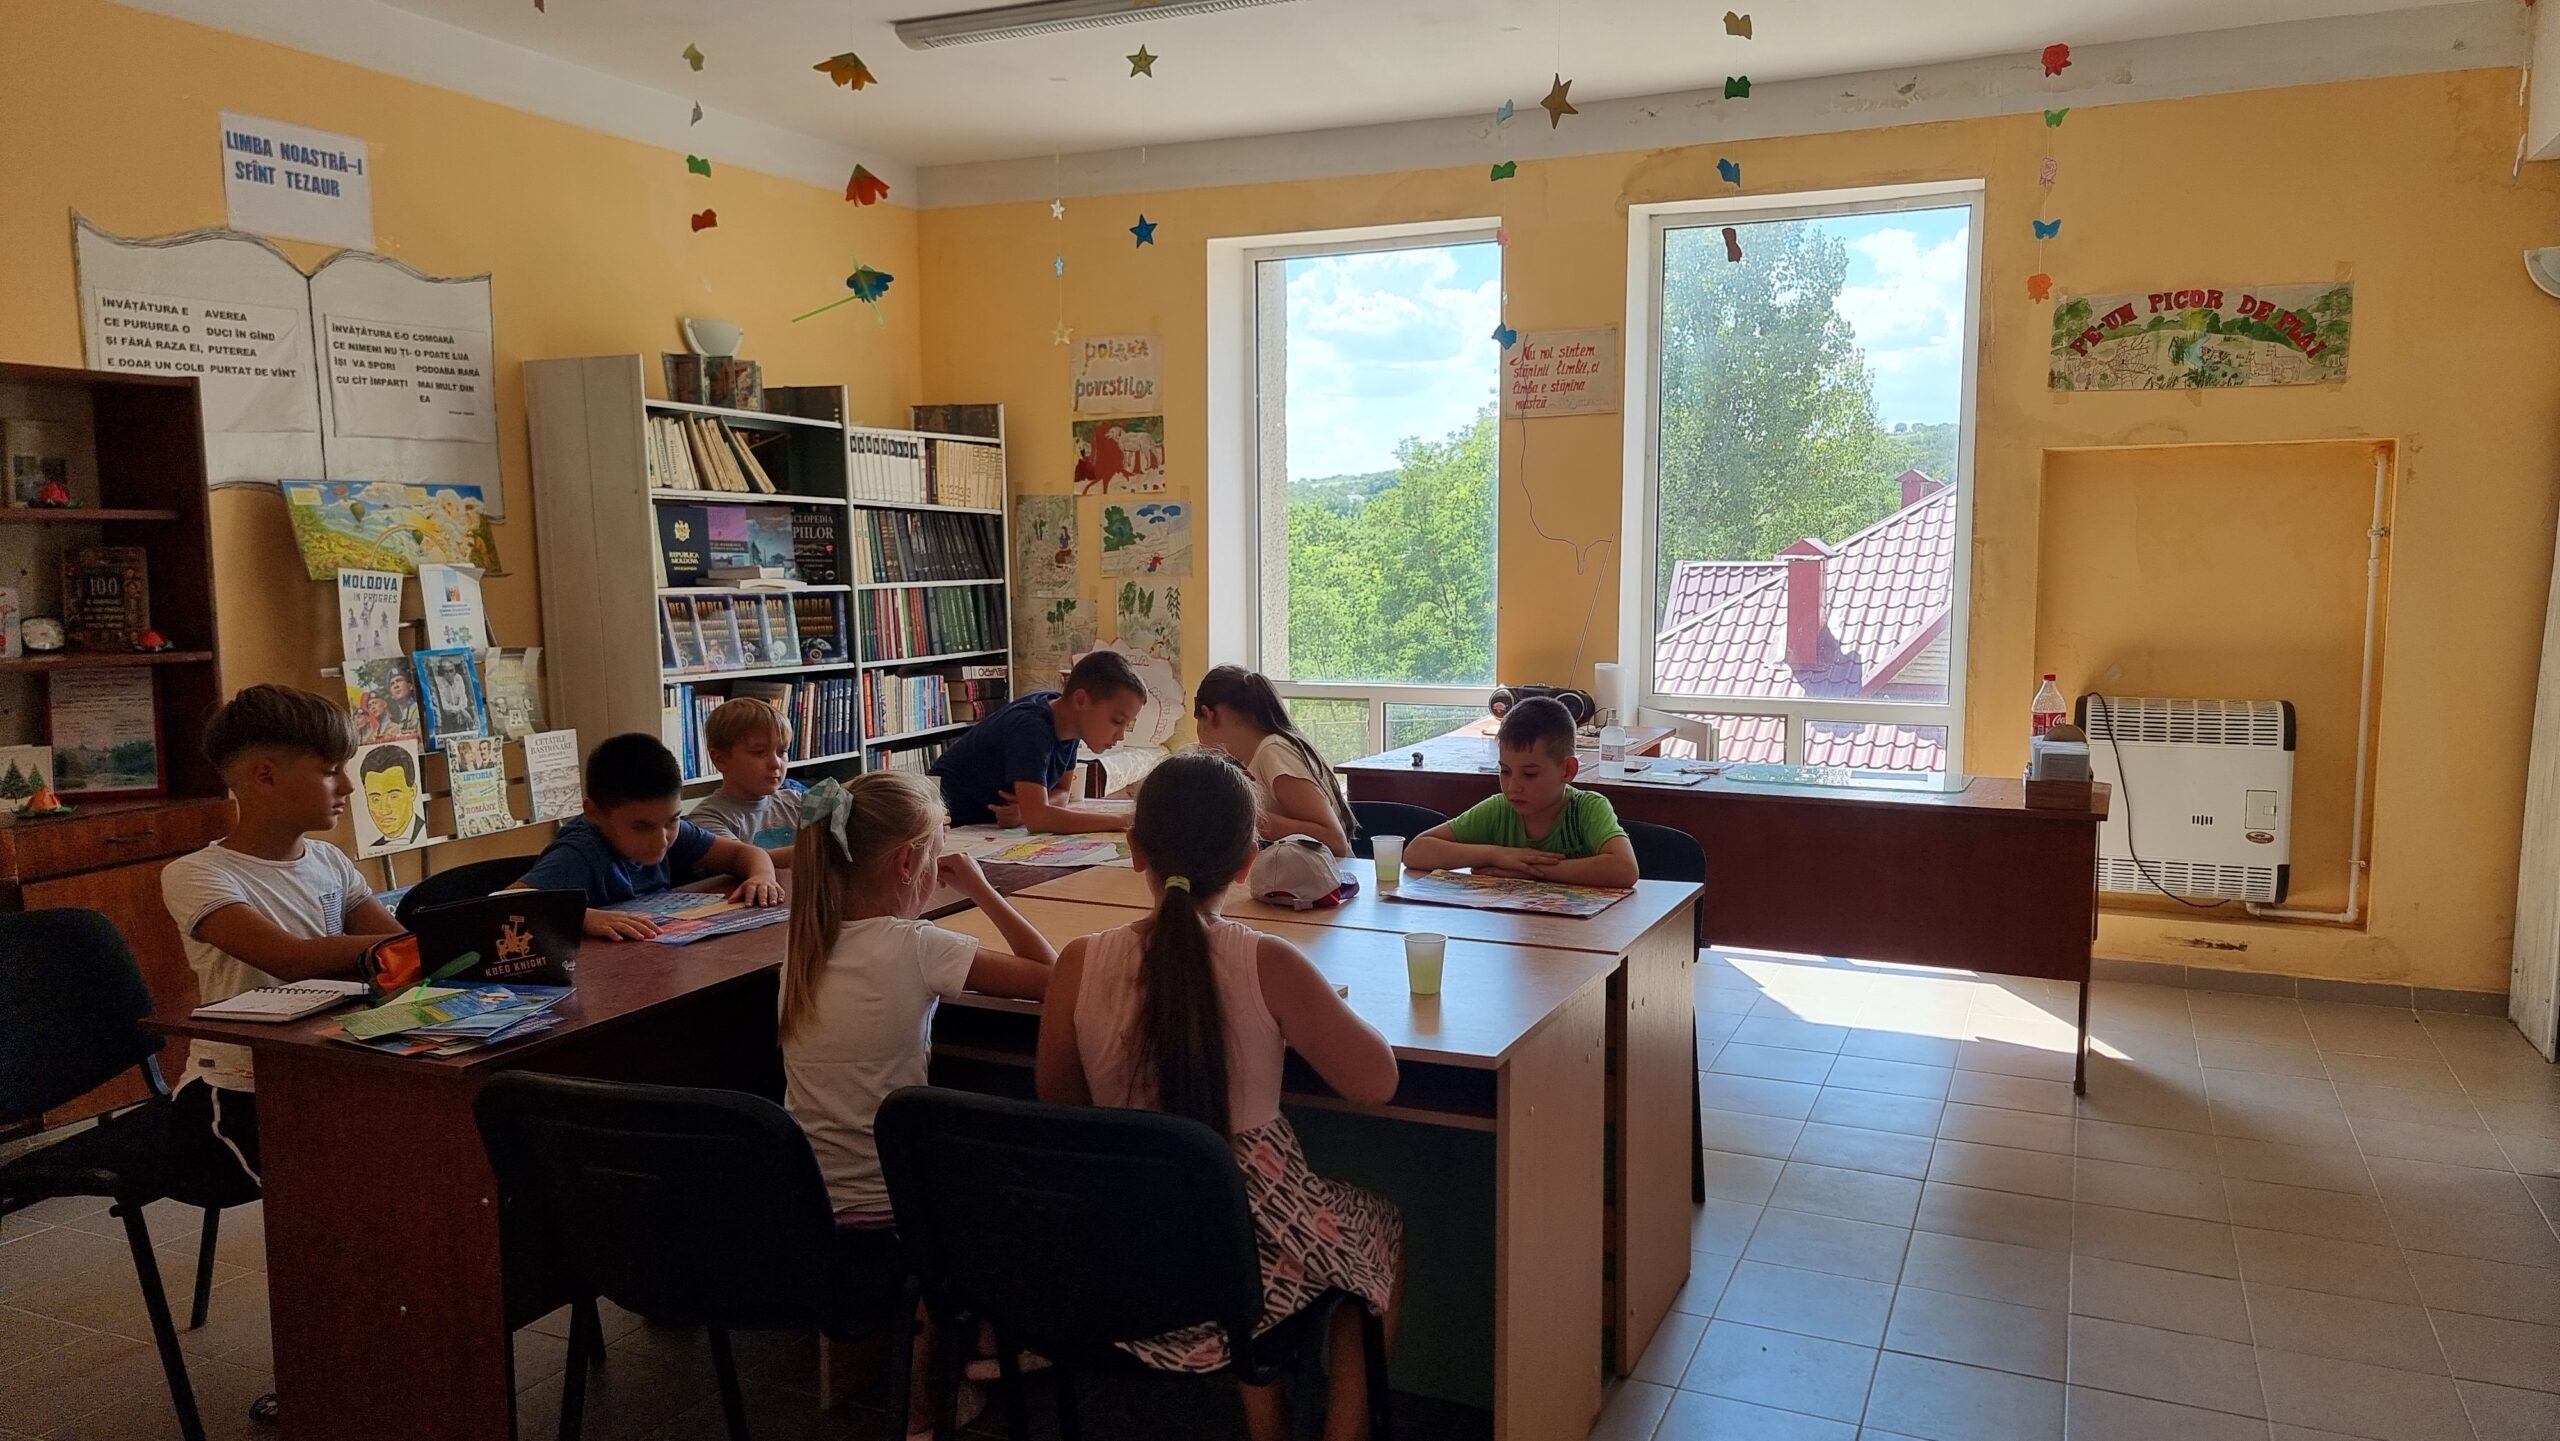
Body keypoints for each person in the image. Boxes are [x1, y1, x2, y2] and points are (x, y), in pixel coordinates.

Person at [1034, 751, 1401, 1441]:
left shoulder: (1079, 963)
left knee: (1229, 1239)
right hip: (1249, 1267)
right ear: (1247, 862)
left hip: (1125, 1265)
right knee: (1378, 1228)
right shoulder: (1266, 960)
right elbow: (1375, 1082)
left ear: (1135, 848)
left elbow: (1060, 1104)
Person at [777, 771, 1055, 1439]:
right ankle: (930, 1403)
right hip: (893, 1209)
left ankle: (982, 1341)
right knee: (999, 1167)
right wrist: (983, 889)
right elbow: (1054, 978)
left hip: (805, 1203)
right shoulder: (917, 945)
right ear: (909, 863)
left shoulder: (802, 949)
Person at [159, 686, 407, 1427]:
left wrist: (439, 942)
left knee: (426, 1172)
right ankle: (319, 1375)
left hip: (335, 1070)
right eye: (331, 770)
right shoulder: (198, 874)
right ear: (264, 776)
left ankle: (409, 1345)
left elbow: (398, 951)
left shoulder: (328, 862)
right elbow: (291, 960)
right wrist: (413, 946)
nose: (347, 786)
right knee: (338, 1207)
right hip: (234, 1095)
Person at [511, 732, 783, 939]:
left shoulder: (668, 829)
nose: (661, 839)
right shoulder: (578, 853)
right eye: (641, 827)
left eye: (672, 820)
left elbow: (743, 854)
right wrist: (584, 917)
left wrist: (762, 876)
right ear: (594, 813)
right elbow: (505, 904)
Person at [1402, 696, 1640, 888]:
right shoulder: (1499, 809)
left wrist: (1530, 870)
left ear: (1567, 770)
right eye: (1505, 771)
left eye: (1530, 774)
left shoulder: (1588, 808)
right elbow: (1416, 852)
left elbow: (1625, 869)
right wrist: (1496, 855)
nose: (1513, 786)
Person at [928, 650, 1148, 834]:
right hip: (943, 821)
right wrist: (1121, 821)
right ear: (1081, 700)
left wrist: (1026, 812)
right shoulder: (1032, 728)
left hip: (985, 826)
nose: (1120, 735)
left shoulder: (1069, 720)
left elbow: (1062, 794)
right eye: (1117, 721)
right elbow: (1039, 820)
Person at [1190, 664, 1355, 857]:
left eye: (1198, 724)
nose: (1200, 742)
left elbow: (1335, 841)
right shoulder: (1258, 754)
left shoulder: (1273, 752)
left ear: (1209, 715)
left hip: (1325, 873)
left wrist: (1247, 818)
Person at [686, 696, 806, 860]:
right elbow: (745, 860)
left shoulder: (796, 802)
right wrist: (815, 852)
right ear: (720, 760)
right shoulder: (705, 820)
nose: (775, 763)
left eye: (782, 751)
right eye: (759, 752)